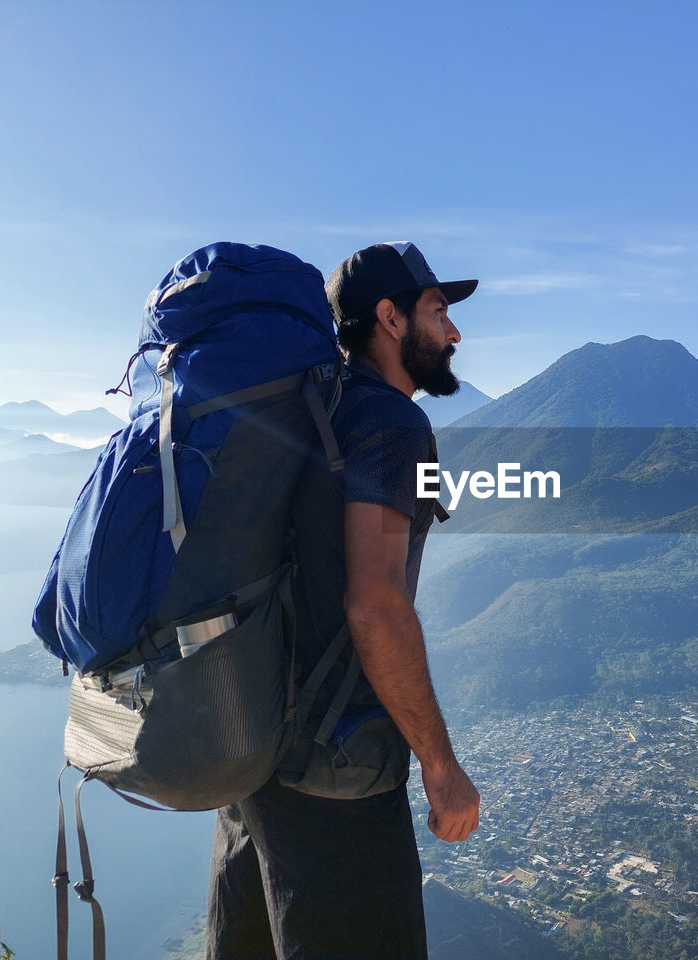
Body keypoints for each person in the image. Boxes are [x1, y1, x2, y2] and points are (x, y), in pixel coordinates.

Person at [206, 242, 482, 959]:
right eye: (439, 311)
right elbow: (376, 606)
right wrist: (441, 764)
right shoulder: (391, 426)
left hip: (254, 758)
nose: (454, 333)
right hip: (339, 776)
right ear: (389, 318)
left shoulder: (306, 413)